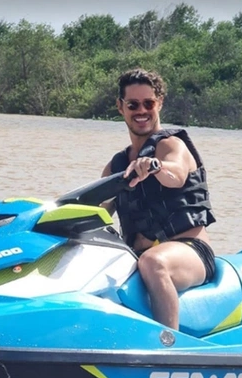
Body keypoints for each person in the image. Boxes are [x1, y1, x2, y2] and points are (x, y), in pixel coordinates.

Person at [100, 68, 217, 330]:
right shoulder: (115, 166)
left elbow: (174, 174)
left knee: (153, 261)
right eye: (133, 104)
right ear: (121, 107)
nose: (141, 110)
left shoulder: (172, 146)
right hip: (135, 253)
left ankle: (168, 348)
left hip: (189, 251)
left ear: (159, 103)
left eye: (148, 103)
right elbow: (96, 212)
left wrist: (155, 166)